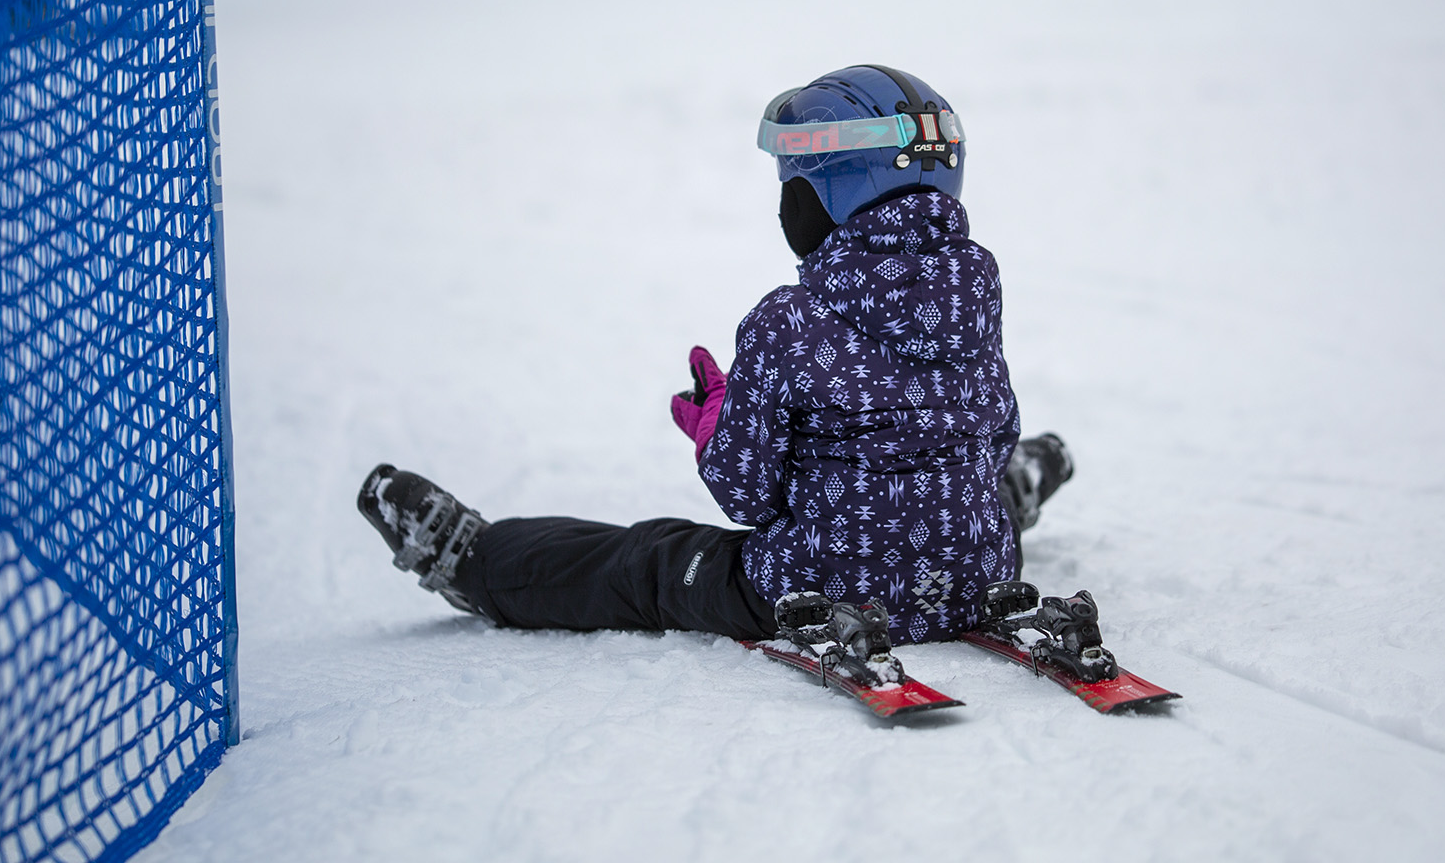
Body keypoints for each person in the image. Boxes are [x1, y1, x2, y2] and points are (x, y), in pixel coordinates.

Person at [357, 65, 1074, 646]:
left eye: (794, 185)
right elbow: (991, 434)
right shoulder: (975, 294)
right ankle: (1020, 485)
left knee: (650, 560)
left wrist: (717, 427)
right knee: (957, 477)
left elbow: (747, 494)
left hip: (821, 586)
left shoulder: (786, 322)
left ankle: (479, 563)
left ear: (830, 194)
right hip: (974, 575)